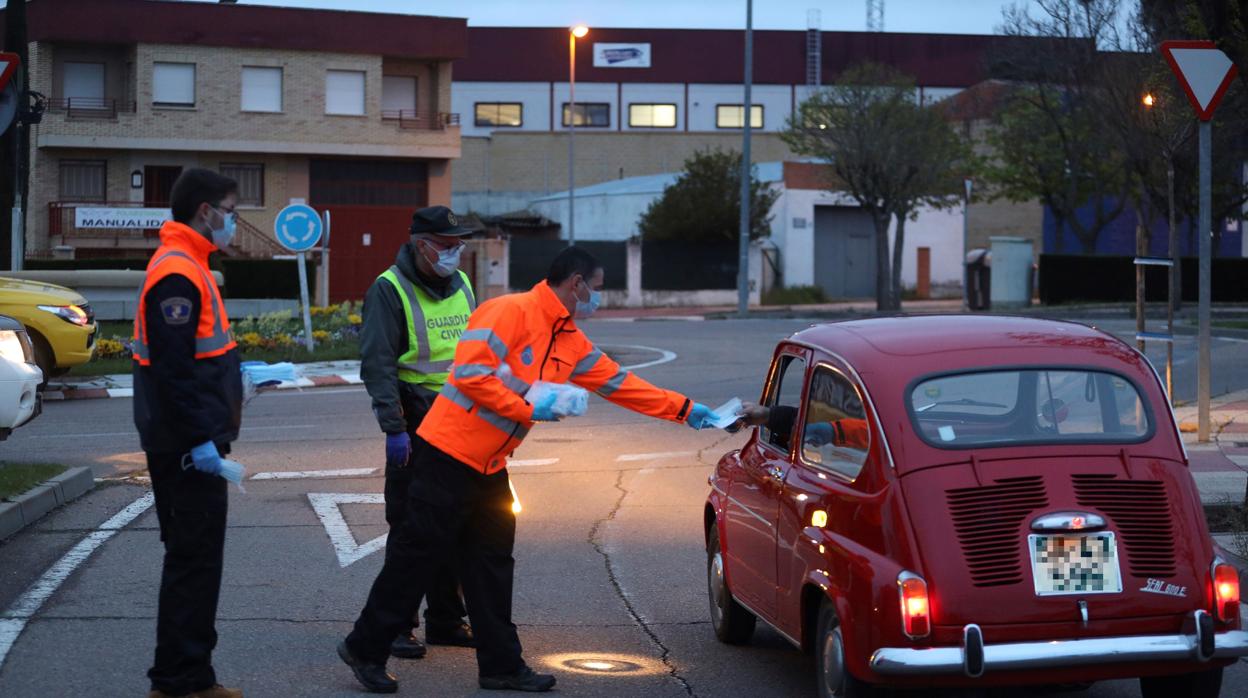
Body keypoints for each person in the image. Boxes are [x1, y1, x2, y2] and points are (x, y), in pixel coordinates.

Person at [338, 246, 718, 694]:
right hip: (446, 454)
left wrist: (688, 411)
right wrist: (525, 406)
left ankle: (501, 666)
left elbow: (621, 385)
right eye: (595, 289)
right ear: (575, 283)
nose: (596, 299)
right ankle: (365, 647)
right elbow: (471, 376)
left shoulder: (569, 339)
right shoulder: (508, 312)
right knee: (415, 557)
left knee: (492, 563)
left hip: (490, 464)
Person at [133, 168, 245, 698]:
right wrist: (201, 440)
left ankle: (186, 676)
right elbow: (173, 372)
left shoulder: (188, 265)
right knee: (193, 564)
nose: (233, 221)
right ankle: (181, 680)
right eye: (230, 209)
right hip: (186, 448)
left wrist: (243, 382)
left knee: (195, 561)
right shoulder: (178, 273)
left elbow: (198, 359)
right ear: (206, 211)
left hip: (189, 439)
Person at [359, 206, 476, 660]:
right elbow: (378, 363)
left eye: (458, 245)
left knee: (455, 524)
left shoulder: (463, 284)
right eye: (446, 246)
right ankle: (395, 626)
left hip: (462, 420)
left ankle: (446, 620)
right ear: (420, 244)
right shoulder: (389, 290)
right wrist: (394, 428)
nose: (454, 253)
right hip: (415, 418)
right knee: (410, 527)